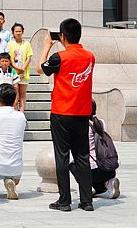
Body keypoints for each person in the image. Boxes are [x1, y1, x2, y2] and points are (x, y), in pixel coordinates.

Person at [38, 18, 95, 212]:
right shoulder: (90, 57)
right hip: (82, 113)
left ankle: (64, 201)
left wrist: (46, 47)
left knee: (62, 156)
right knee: (82, 156)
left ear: (62, 36)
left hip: (62, 112)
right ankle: (86, 201)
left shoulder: (59, 57)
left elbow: (40, 69)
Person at [70, 100, 120, 200]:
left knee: (73, 165)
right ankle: (108, 183)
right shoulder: (101, 123)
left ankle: (87, 188)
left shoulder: (82, 126)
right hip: (108, 168)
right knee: (91, 164)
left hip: (92, 172)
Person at [8, 23, 33, 112]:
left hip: (24, 73)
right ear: (13, 32)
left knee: (22, 94)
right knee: (15, 94)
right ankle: (14, 113)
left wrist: (23, 68)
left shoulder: (27, 44)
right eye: (16, 31)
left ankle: (22, 113)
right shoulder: (10, 44)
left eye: (20, 31)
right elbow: (10, 59)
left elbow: (29, 57)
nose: (18, 33)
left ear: (22, 32)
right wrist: (18, 69)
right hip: (13, 73)